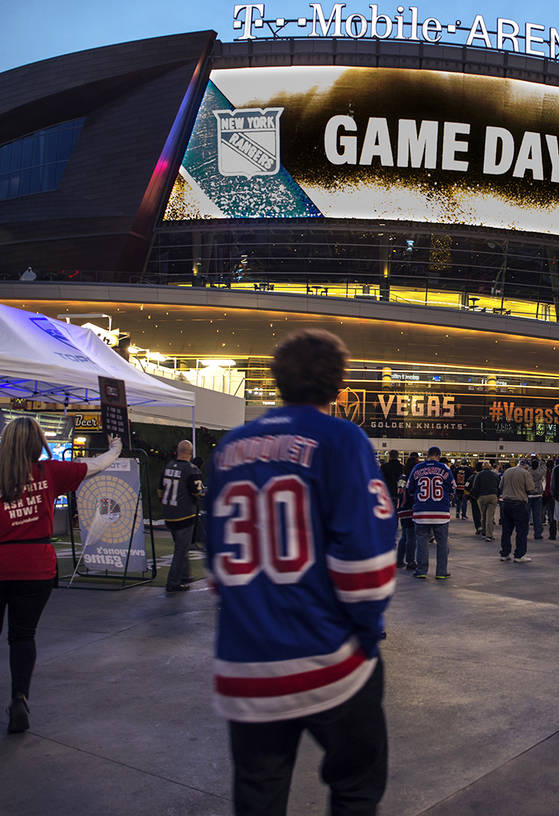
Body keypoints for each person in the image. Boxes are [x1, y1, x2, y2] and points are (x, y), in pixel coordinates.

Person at [206, 329, 395, 815]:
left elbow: (215, 569)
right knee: (356, 785)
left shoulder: (229, 447)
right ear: (339, 385)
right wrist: (367, 637)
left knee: (257, 794)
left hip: (243, 661)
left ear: (277, 382)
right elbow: (366, 566)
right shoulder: (341, 438)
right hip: (324, 657)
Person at [0, 417, 122, 732]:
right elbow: (96, 465)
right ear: (36, 443)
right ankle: (19, 698)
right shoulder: (49, 472)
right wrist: (116, 447)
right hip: (36, 567)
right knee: (23, 636)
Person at [160, 439, 205, 592]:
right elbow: (197, 493)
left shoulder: (168, 466)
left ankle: (185, 575)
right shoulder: (192, 470)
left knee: (181, 547)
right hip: (184, 515)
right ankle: (173, 582)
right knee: (181, 549)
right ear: (191, 453)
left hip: (169, 513)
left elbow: (160, 490)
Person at [408, 446, 454, 579]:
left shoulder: (417, 468)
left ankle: (421, 570)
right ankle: (441, 572)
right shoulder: (445, 468)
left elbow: (410, 489)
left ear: (427, 455)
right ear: (439, 455)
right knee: (442, 543)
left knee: (421, 542)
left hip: (421, 512)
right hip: (441, 513)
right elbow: (452, 489)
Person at [499, 459, 535, 563]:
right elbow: (530, 489)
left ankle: (505, 554)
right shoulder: (525, 473)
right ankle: (519, 555)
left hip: (506, 504)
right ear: (526, 466)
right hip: (519, 504)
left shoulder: (507, 471)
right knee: (522, 531)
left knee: (506, 530)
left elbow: (500, 486)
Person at [395, 453, 419, 570]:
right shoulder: (412, 478)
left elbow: (399, 491)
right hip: (410, 509)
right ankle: (410, 561)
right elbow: (412, 493)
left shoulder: (402, 477)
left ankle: (399, 560)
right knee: (411, 536)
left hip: (401, 508)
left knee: (404, 536)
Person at [471, 460, 500, 542]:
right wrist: (497, 495)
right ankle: (489, 535)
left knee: (483, 516)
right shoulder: (495, 475)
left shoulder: (478, 475)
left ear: (483, 467)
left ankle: (483, 533)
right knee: (490, 517)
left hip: (482, 497)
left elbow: (475, 487)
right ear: (490, 467)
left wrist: (476, 497)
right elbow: (499, 486)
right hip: (492, 496)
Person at [527, 456, 547, 540]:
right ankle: (537, 534)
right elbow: (544, 467)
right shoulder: (540, 472)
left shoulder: (527, 472)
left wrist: (525, 458)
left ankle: (524, 532)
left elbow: (520, 467)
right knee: (537, 516)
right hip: (538, 495)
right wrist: (540, 459)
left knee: (526, 516)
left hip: (528, 494)